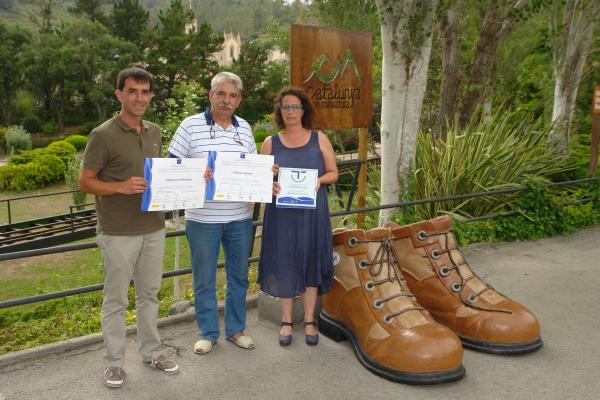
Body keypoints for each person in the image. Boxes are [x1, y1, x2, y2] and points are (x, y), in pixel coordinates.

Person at [79, 66, 179, 389]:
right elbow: (85, 182)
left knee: (149, 295)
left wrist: (188, 182)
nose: (140, 97)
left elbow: (159, 176)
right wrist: (121, 187)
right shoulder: (102, 134)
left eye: (145, 91)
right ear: (119, 94)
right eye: (133, 91)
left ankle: (151, 352)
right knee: (116, 300)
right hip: (118, 232)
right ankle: (114, 364)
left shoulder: (154, 132)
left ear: (151, 95)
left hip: (153, 228)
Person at [167, 72, 257, 355]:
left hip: (240, 219)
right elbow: (172, 168)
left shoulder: (245, 129)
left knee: (239, 278)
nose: (226, 100)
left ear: (239, 100)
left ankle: (235, 330)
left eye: (232, 96)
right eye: (221, 94)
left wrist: (265, 177)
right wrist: (196, 174)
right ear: (211, 95)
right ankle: (207, 333)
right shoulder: (189, 126)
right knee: (204, 279)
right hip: (202, 220)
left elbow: (252, 168)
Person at [258, 87, 338, 346]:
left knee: (310, 261)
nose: (290, 111)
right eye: (286, 107)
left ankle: (310, 320)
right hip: (282, 215)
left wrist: (318, 181)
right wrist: (269, 183)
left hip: (312, 213)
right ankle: (286, 321)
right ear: (280, 111)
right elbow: (259, 179)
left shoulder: (319, 138)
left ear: (304, 110)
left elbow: (333, 173)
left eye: (295, 107)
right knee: (285, 262)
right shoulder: (270, 142)